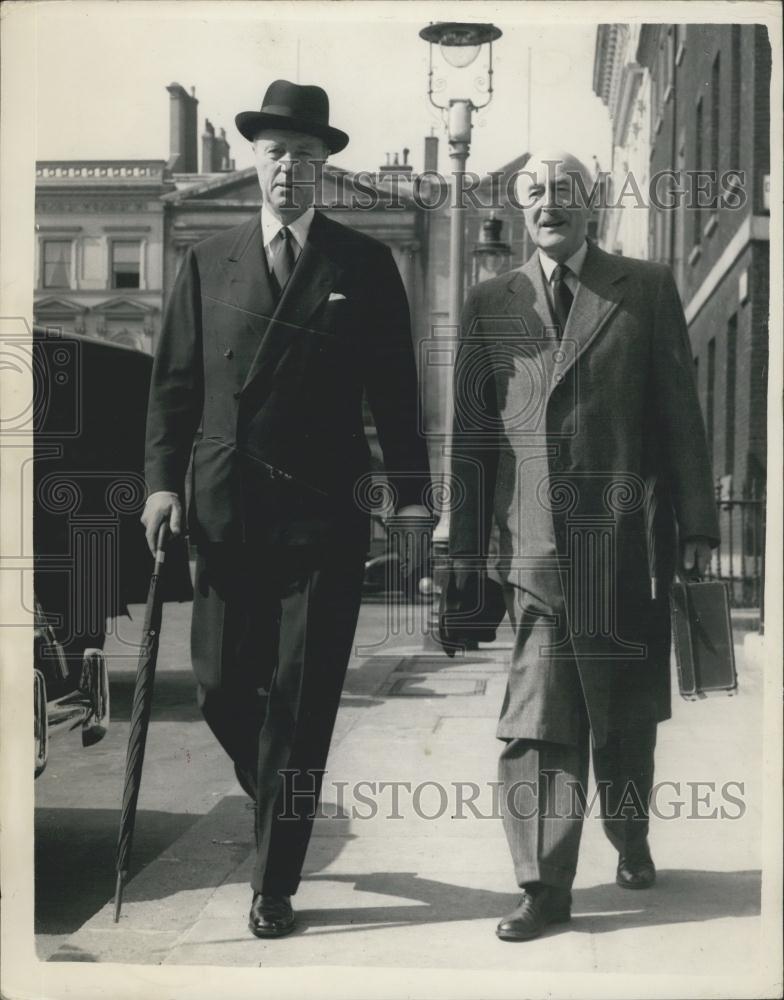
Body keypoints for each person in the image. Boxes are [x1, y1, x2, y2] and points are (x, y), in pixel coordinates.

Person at [142, 80, 430, 939]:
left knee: (302, 704)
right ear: (253, 162)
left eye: (306, 158)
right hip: (225, 510)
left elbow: (396, 395)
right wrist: (162, 482)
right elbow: (174, 388)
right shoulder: (208, 259)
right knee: (224, 689)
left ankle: (274, 882)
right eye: (276, 155)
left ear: (324, 170)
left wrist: (412, 501)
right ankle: (283, 790)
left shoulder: (362, 265)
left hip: (323, 514)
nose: (289, 171)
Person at [440, 150, 718, 942]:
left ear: (591, 206)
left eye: (563, 192)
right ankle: (543, 884)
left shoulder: (646, 289)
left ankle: (629, 836)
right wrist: (465, 550)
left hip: (625, 544)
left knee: (624, 719)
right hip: (535, 552)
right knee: (538, 721)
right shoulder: (492, 301)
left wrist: (696, 527)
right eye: (533, 194)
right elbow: (473, 436)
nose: (547, 204)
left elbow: (680, 416)